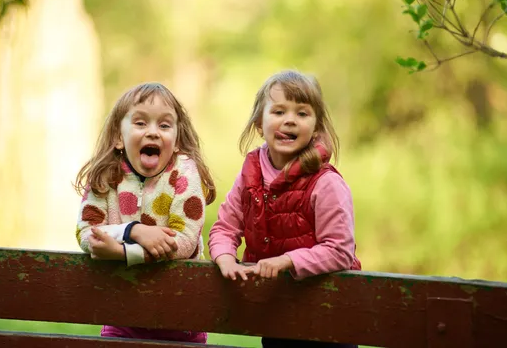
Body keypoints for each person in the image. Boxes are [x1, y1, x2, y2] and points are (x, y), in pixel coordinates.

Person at [208, 70, 361, 348]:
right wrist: (225, 257)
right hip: (277, 311)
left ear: (316, 127)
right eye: (279, 111)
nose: (290, 119)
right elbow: (225, 228)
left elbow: (340, 250)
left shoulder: (325, 183)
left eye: (302, 114)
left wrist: (287, 261)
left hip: (328, 312)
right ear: (259, 123)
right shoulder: (250, 175)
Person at [75, 82, 215, 344]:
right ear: (119, 137)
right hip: (122, 315)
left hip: (182, 312)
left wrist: (123, 252)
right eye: (140, 123)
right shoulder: (107, 176)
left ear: (177, 141)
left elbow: (184, 241)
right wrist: (134, 230)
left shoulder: (184, 174)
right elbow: (87, 232)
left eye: (164, 125)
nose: (153, 132)